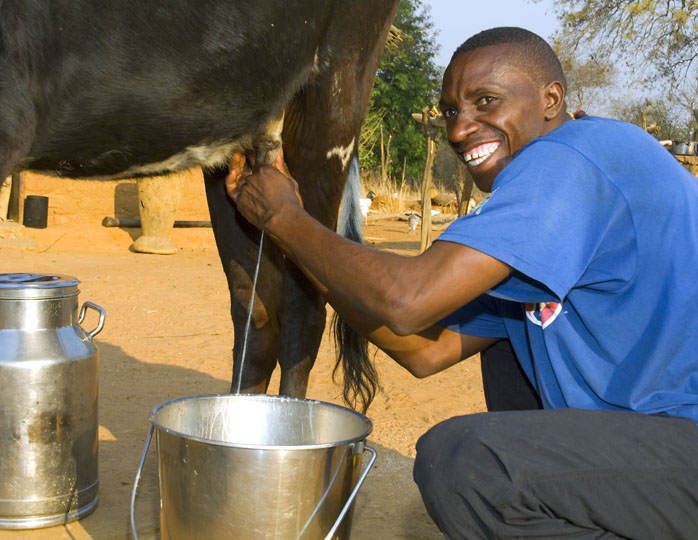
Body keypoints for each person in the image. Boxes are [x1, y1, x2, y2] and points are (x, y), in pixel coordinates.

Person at [226, 26, 698, 539]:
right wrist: (304, 246)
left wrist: (286, 219)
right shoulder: (547, 212)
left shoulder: (574, 154)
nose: (458, 129)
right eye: (452, 110)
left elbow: (406, 300)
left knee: (466, 461)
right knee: (509, 359)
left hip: (681, 447)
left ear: (551, 100)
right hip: (653, 450)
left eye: (486, 101)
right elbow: (424, 349)